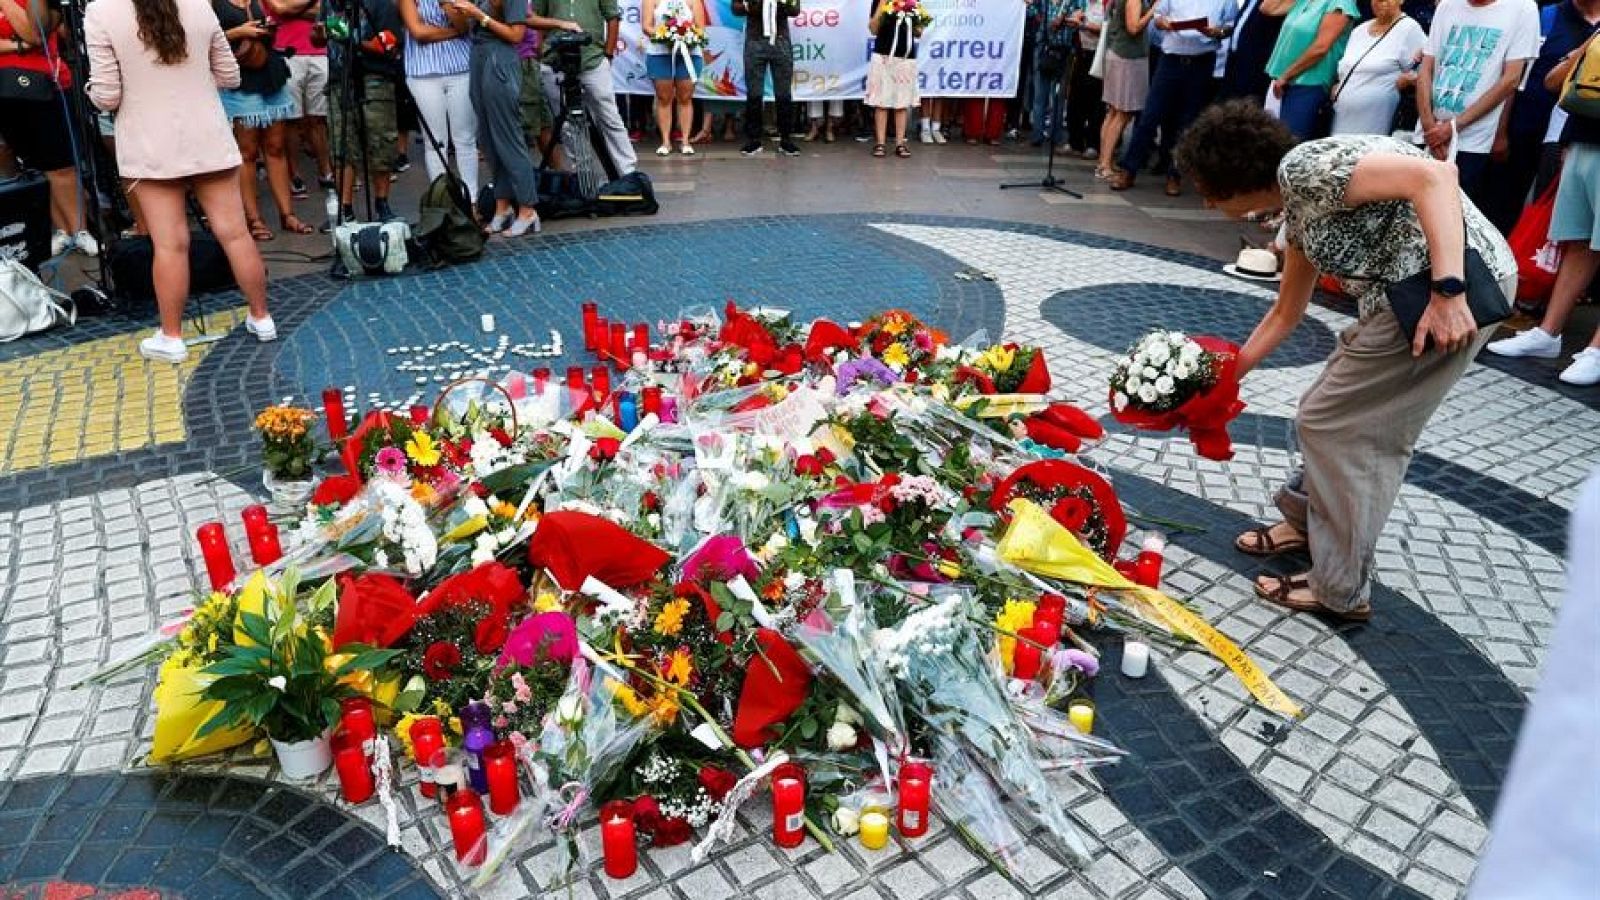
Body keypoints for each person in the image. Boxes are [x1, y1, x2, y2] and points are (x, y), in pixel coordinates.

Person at [1175, 100, 1517, 620]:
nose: (1205, 202)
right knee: (1328, 409)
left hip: (1449, 292)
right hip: (1403, 300)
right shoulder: (1299, 208)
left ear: (1234, 177)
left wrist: (1448, 291)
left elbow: (1435, 177)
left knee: (1342, 427)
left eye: (1207, 189)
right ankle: (1307, 524)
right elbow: (1286, 312)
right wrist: (1221, 378)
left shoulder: (1306, 169)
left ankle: (1339, 587)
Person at [84, 0, 273, 363]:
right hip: (207, 133)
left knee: (170, 245)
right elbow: (230, 76)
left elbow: (107, 96)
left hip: (149, 142)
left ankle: (172, 337)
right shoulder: (198, 4)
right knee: (236, 234)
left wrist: (91, 89)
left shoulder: (100, 11)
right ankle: (262, 317)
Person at [1485, 36, 1600, 386]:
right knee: (1578, 241)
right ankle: (1549, 332)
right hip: (1584, 136)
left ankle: (1596, 350)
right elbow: (1556, 81)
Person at [1479, 0, 1600, 233]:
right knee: (1498, 209)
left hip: (1568, 140)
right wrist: (1500, 132)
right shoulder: (1546, 16)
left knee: (1546, 221)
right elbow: (1515, 77)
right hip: (1521, 132)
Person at [1415, 0, 1540, 205]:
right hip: (1428, 135)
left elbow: (1511, 80)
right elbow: (1426, 68)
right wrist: (1429, 126)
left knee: (1455, 212)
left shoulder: (1523, 8)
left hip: (1473, 141)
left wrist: (1453, 127)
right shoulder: (1447, 5)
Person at [1109, 0, 1239, 195]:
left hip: (1202, 62)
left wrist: (1217, 32)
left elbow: (1230, 25)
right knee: (1150, 116)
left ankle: (1174, 175)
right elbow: (1158, 17)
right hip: (1171, 60)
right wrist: (1163, 23)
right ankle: (1129, 169)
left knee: (1188, 122)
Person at [1, 0, 97, 257]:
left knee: (61, 164)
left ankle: (79, 229)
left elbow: (35, 34)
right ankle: (62, 230)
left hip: (45, 86)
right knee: (36, 167)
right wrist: (18, 46)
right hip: (5, 90)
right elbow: (27, 41)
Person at [213, 0, 311, 239]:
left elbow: (281, 10)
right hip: (239, 77)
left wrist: (267, 28)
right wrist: (239, 32)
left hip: (269, 70)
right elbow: (204, 39)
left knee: (276, 147)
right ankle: (254, 219)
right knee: (247, 152)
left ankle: (287, 215)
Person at [455, 0, 538, 236]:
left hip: (499, 59)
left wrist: (479, 15)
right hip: (479, 55)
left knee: (508, 138)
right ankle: (503, 206)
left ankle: (527, 209)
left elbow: (516, 35)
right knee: (489, 140)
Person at [533, 0, 638, 175]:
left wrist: (608, 54)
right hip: (554, 60)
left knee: (609, 117)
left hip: (593, 59)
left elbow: (613, 17)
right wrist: (540, 52)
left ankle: (628, 172)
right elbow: (536, 17)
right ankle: (584, 174)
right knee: (566, 122)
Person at [326, 0, 405, 225]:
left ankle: (382, 203)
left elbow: (389, 46)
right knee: (341, 146)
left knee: (380, 142)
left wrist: (351, 39)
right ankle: (345, 209)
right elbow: (319, 36)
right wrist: (320, 34)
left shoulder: (382, 4)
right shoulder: (330, 3)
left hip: (374, 79)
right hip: (339, 80)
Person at [399, 0, 477, 195]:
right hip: (422, 72)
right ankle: (442, 199)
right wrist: (454, 33)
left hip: (460, 68)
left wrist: (446, 5)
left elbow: (463, 26)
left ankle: (471, 198)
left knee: (465, 138)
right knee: (434, 141)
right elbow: (419, 33)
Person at [264, 0, 334, 197]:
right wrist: (303, 7)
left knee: (319, 118)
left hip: (319, 51)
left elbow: (325, 11)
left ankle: (325, 171)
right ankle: (294, 173)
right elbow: (280, 9)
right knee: (291, 120)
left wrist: (292, 8)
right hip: (287, 52)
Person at [1263, 0, 1359, 140]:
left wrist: (1286, 76)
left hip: (1309, 83)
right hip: (1283, 81)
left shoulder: (1341, 3)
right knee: (1272, 140)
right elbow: (1267, 7)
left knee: (1290, 142)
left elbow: (1321, 47)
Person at [1329, 0, 1425, 136]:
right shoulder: (1359, 30)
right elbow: (1347, 67)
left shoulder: (1409, 28)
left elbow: (1428, 68)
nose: (1381, 1)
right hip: (1342, 118)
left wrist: (1410, 79)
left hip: (1377, 121)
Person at [732, 0, 799, 157]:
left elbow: (795, 9)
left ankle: (786, 139)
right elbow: (735, 8)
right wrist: (752, 5)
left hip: (780, 41)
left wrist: (780, 5)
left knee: (783, 93)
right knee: (754, 93)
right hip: (755, 41)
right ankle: (754, 140)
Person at [643, 0, 707, 157]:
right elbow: (646, 26)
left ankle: (685, 141)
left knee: (685, 97)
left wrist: (686, 36)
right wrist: (666, 36)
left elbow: (700, 29)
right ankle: (665, 141)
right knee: (664, 98)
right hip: (660, 53)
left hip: (688, 54)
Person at [1097, 0, 1152, 180]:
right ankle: (1105, 165)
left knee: (1113, 112)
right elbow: (1133, 28)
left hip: (1119, 54)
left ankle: (1103, 162)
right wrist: (1153, 11)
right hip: (1127, 58)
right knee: (1121, 113)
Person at [865, 0, 922, 158]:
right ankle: (880, 143)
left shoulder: (913, 1)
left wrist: (914, 15)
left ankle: (900, 143)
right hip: (882, 55)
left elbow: (919, 32)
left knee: (901, 103)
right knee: (881, 102)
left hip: (905, 56)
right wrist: (882, 6)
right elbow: (873, 29)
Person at [1219, 0, 1285, 102]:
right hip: (1234, 59)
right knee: (1227, 102)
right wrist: (1221, 31)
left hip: (1255, 64)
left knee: (1248, 105)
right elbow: (1241, 25)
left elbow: (1266, 11)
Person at [1065, 0, 1107, 157]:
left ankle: (1092, 144)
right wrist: (1073, 20)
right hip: (1081, 53)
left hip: (1098, 55)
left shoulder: (1106, 5)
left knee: (1096, 102)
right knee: (1075, 99)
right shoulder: (1083, 4)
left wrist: (1084, 25)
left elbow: (1106, 29)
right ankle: (1074, 141)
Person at [1029, 0, 1071, 148]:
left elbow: (1080, 16)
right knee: (1043, 96)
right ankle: (1040, 134)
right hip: (1047, 48)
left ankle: (1051, 135)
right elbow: (1031, 11)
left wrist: (1063, 20)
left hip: (1060, 51)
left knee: (1056, 97)